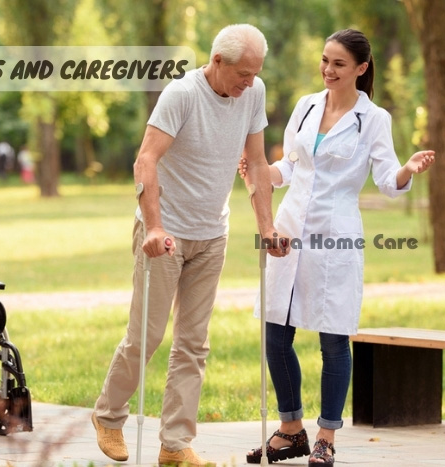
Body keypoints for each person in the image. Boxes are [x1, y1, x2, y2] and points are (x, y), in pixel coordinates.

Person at [91, 24, 289, 467]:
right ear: (217, 61)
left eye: (256, 73)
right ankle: (108, 415)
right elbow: (146, 159)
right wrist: (156, 227)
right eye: (243, 73)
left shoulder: (252, 95)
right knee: (147, 336)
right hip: (166, 234)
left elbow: (256, 165)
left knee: (194, 344)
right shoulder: (181, 94)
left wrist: (268, 228)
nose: (250, 82)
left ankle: (175, 445)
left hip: (212, 233)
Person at [240, 29, 435, 466]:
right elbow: (288, 167)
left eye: (339, 64)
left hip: (337, 234)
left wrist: (406, 168)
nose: (328, 70)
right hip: (289, 230)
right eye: (325, 61)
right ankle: (292, 431)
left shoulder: (374, 119)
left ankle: (326, 436)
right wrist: (260, 172)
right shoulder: (306, 106)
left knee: (333, 338)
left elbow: (387, 182)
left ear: (361, 69)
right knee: (275, 333)